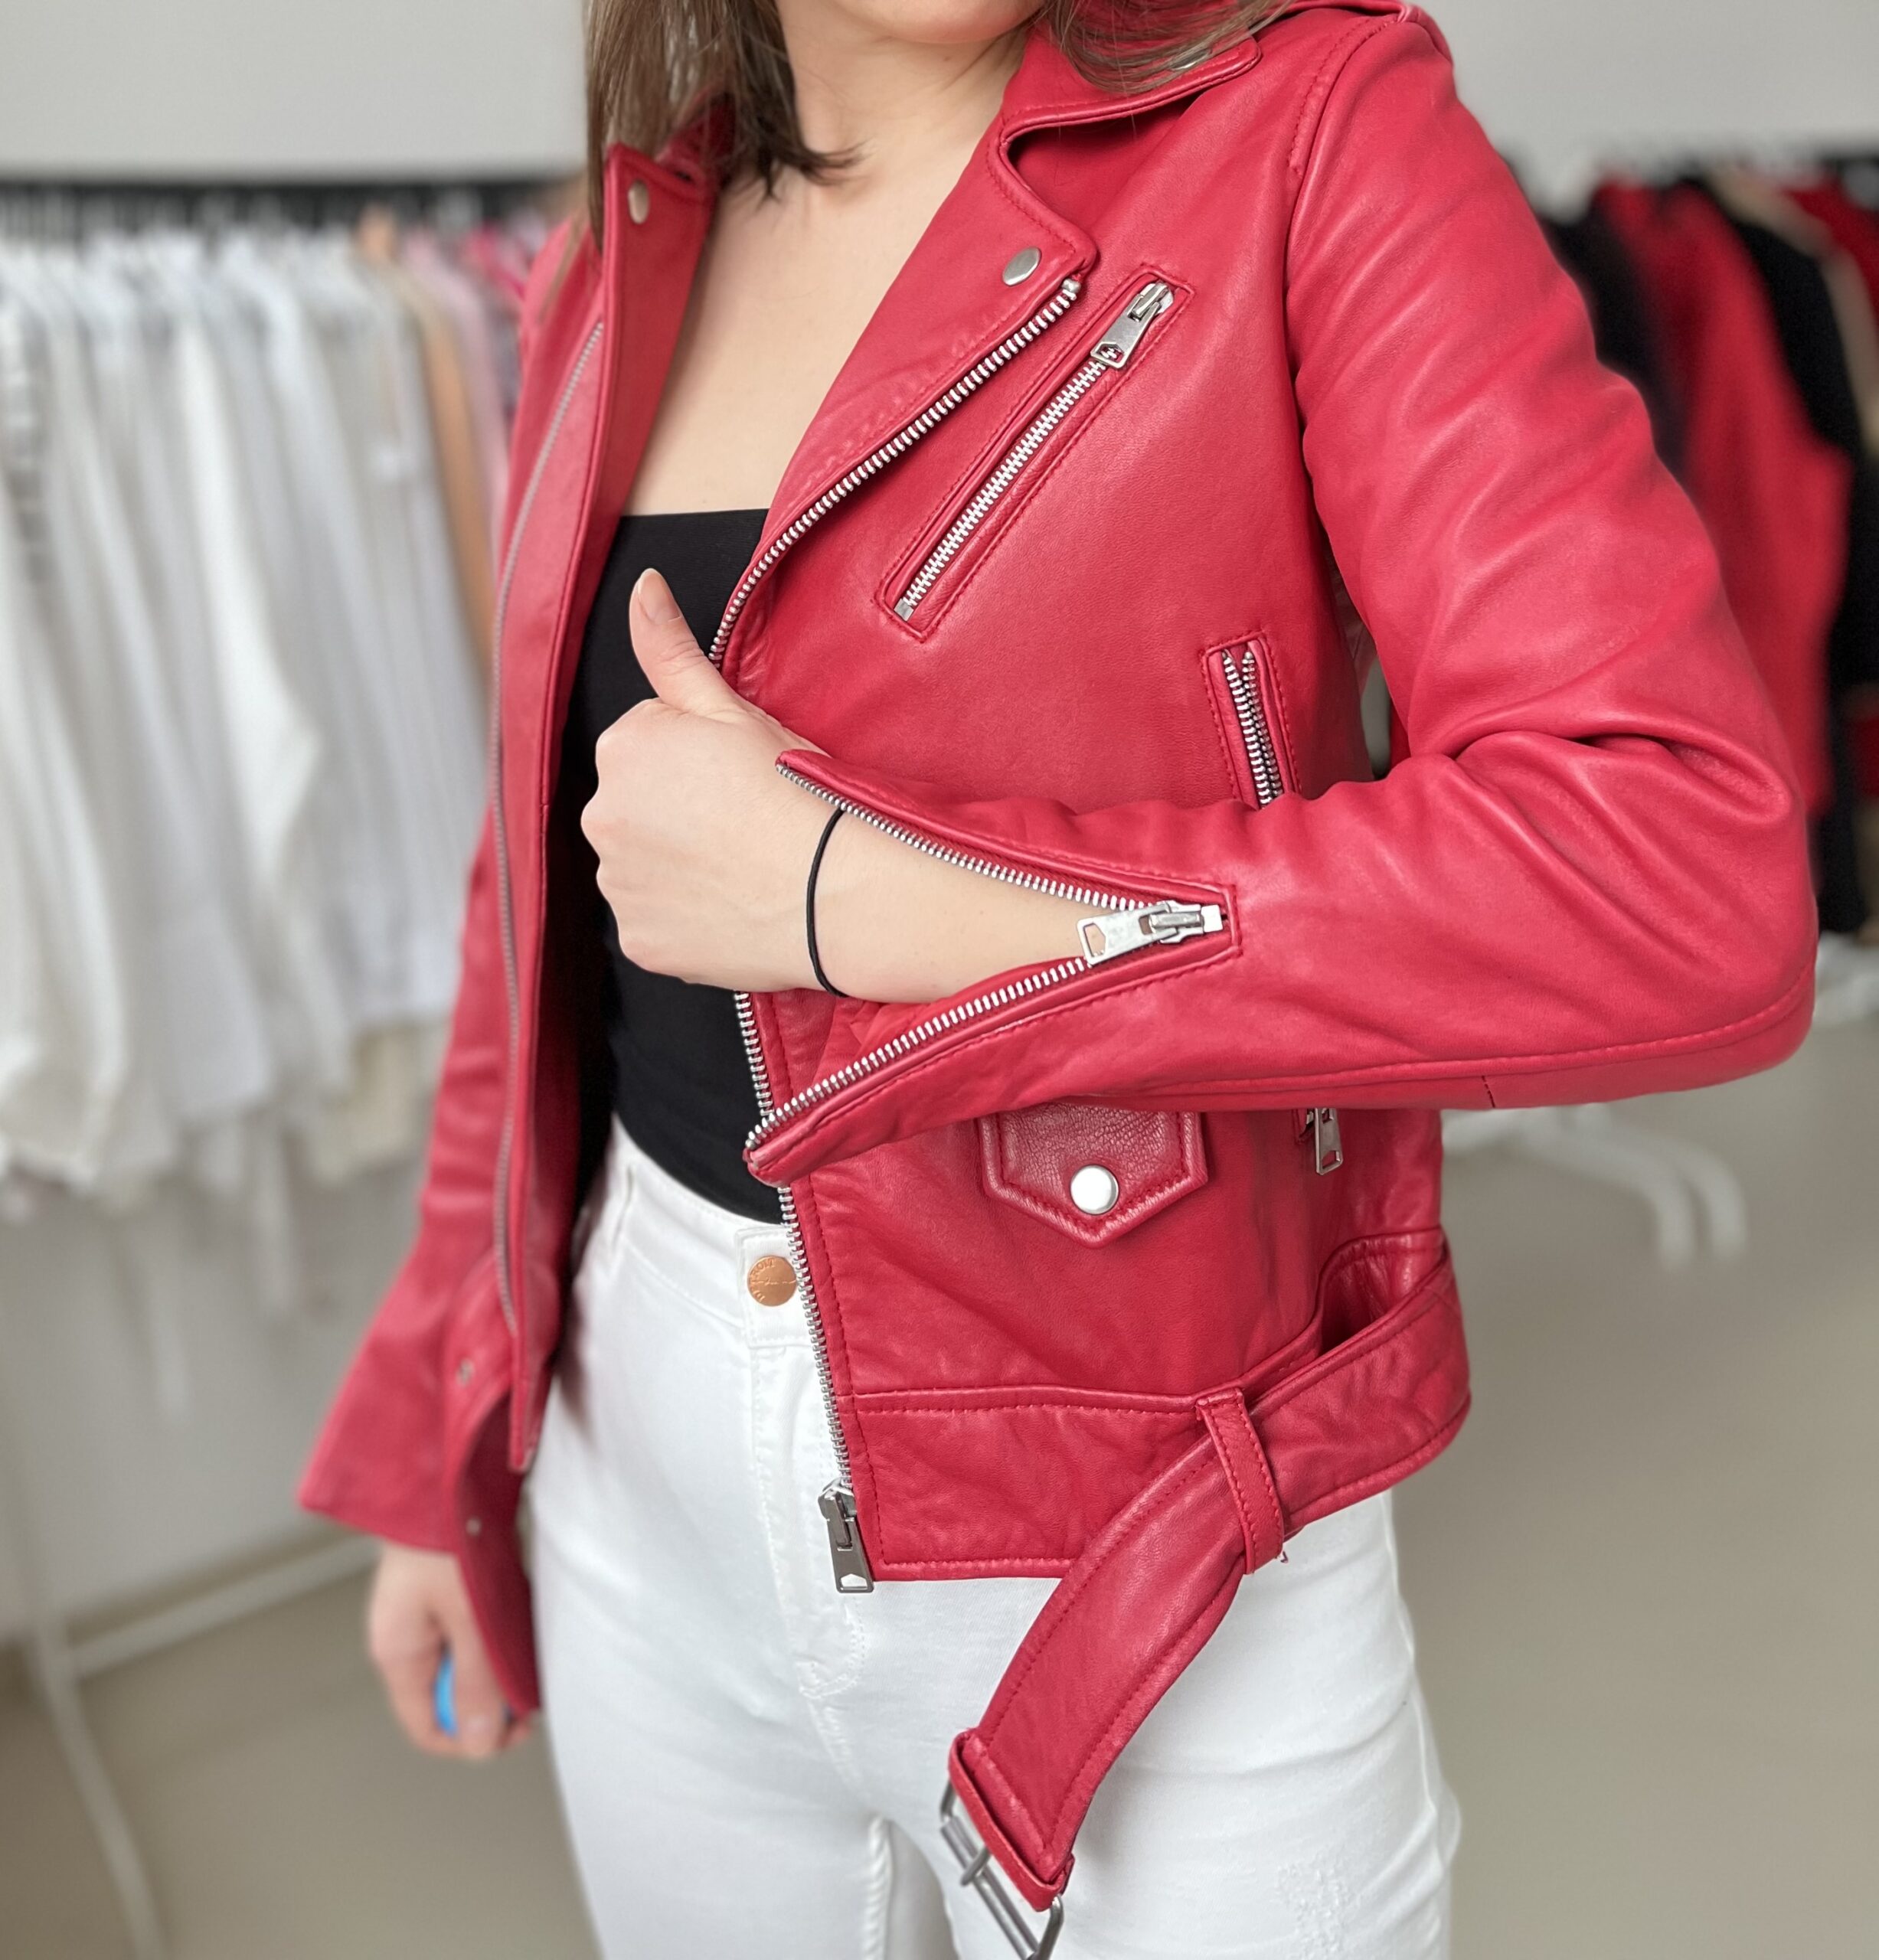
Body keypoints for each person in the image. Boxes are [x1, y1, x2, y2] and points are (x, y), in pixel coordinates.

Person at [301, 1, 1819, 1954]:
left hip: (1158, 1526)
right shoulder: (621, 246)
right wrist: (437, 1427)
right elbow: (530, 897)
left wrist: (859, 897)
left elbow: (1671, 871)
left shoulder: (1310, 127)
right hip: (634, 1461)